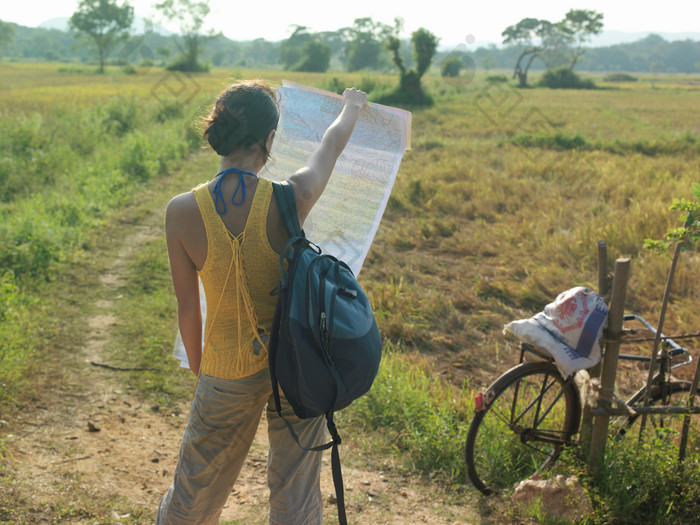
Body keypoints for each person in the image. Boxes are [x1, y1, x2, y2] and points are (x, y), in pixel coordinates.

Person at [157, 80, 367, 525]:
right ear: (270, 139)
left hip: (223, 368)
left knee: (194, 489)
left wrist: (203, 369)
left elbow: (188, 308)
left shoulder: (180, 211)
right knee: (295, 489)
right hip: (297, 364)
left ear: (220, 134)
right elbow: (332, 143)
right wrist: (351, 106)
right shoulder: (293, 197)